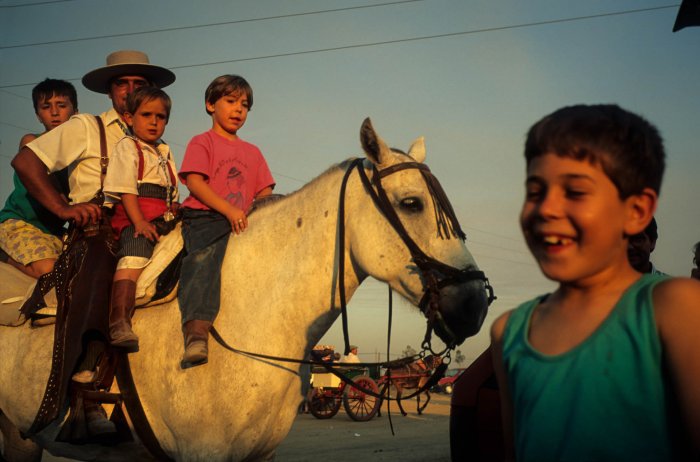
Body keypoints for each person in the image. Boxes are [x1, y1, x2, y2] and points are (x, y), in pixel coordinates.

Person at [491, 104, 700, 461]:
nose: (546, 209)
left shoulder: (674, 307)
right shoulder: (508, 331)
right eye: (535, 191)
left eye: (575, 191)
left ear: (636, 212)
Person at [11, 50, 175, 438]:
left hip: (150, 226)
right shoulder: (87, 127)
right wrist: (63, 208)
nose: (132, 90)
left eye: (140, 84)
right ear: (110, 91)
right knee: (100, 278)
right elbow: (26, 162)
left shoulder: (157, 141)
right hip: (97, 232)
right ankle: (84, 394)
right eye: (123, 83)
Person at [177, 74, 275, 369]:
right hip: (205, 216)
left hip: (241, 221)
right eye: (230, 101)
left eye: (244, 105)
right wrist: (230, 211)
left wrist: (259, 209)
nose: (238, 110)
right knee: (204, 259)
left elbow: (264, 191)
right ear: (210, 105)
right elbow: (194, 181)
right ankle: (196, 331)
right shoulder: (202, 142)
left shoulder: (253, 152)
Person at [103, 86, 179, 352]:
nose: (154, 122)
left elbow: (172, 189)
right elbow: (126, 189)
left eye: (160, 117)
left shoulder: (164, 150)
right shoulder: (127, 146)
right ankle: (119, 320)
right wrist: (139, 222)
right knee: (134, 254)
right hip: (136, 216)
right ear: (128, 117)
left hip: (165, 214)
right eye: (146, 115)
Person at [0, 78, 77, 278]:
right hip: (22, 223)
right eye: (46, 107)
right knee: (49, 271)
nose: (54, 112)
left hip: (54, 231)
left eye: (61, 105)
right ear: (38, 115)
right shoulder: (33, 142)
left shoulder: (78, 155)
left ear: (74, 112)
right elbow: (50, 182)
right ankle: (4, 255)